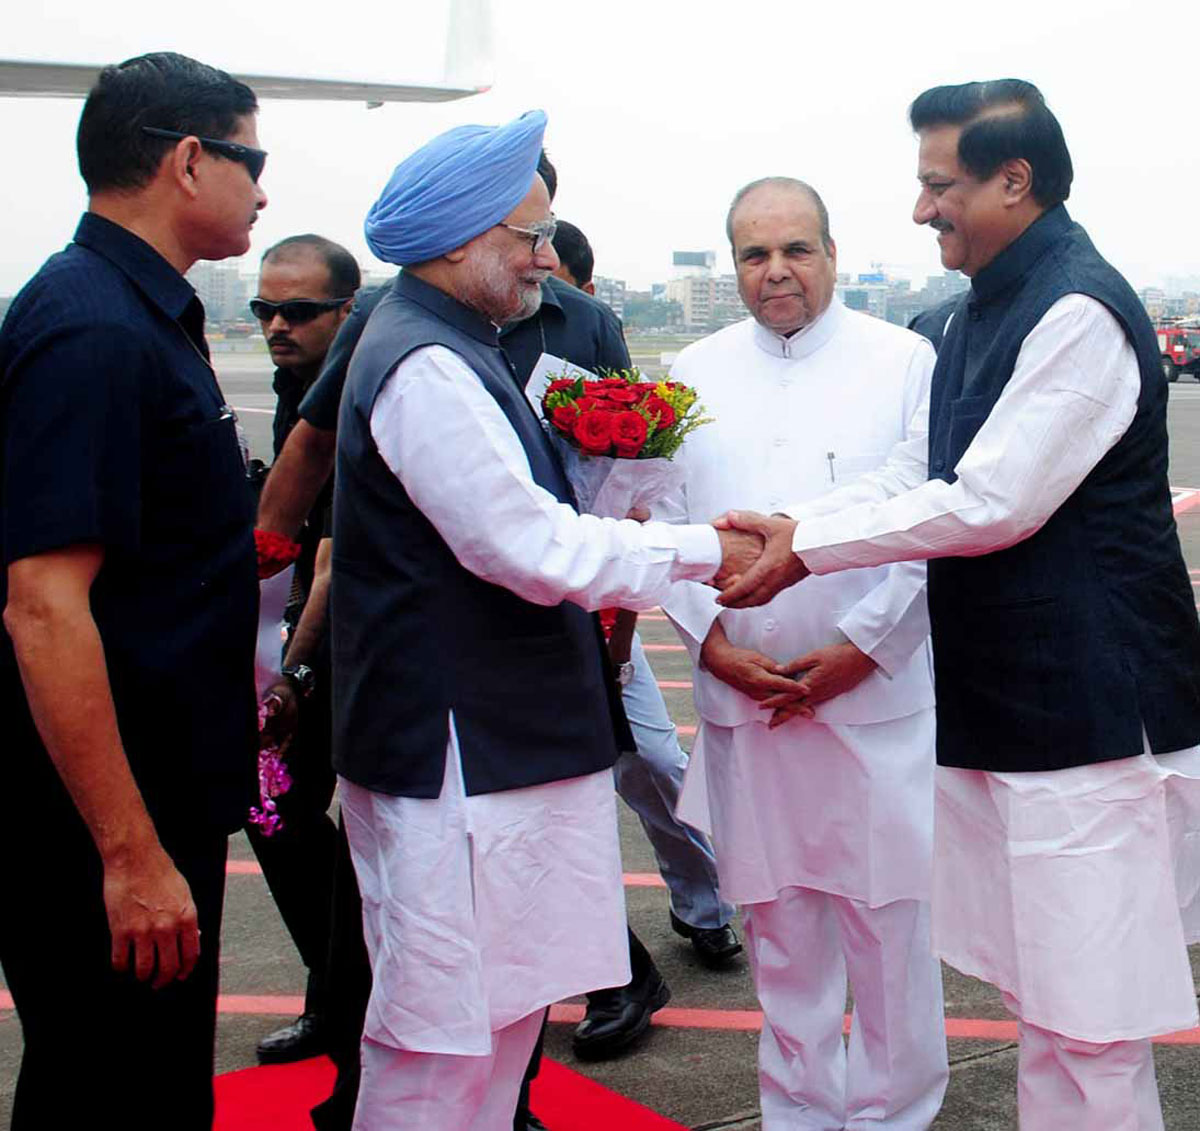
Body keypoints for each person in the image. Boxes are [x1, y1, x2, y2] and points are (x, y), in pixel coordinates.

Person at [716, 80, 1200, 1130]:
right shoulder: (975, 309)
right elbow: (918, 470)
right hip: (1009, 717)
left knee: (1094, 1021)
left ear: (1013, 182)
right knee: (1043, 1004)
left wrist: (810, 552)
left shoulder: (1077, 307)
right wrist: (786, 529)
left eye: (941, 185)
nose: (923, 208)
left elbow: (993, 502)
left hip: (1092, 724)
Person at [330, 108, 756, 1130]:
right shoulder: (427, 366)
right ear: (461, 239)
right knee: (441, 1045)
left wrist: (621, 482)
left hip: (501, 749)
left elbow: (534, 525)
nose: (545, 259)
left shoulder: (459, 343)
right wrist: (708, 547)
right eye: (528, 237)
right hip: (461, 762)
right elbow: (526, 550)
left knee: (502, 1021)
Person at [0, 52, 267, 1129]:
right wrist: (130, 851)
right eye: (253, 159)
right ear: (189, 159)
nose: (264, 188)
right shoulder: (94, 330)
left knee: (123, 1085)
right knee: (116, 1092)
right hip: (103, 820)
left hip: (149, 791)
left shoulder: (137, 310)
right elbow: (43, 604)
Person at [660, 177, 947, 1129]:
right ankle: (799, 1116)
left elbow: (931, 522)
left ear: (831, 251)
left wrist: (863, 648)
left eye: (797, 249)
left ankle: (894, 1117)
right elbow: (658, 529)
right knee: (782, 943)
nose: (775, 270)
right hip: (749, 709)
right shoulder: (687, 371)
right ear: (733, 263)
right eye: (753, 253)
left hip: (873, 707)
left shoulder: (908, 361)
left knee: (890, 944)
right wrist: (710, 645)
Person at [549, 218, 741, 1060]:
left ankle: (703, 906)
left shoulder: (592, 348)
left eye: (550, 269)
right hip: (525, 612)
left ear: (580, 289)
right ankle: (609, 973)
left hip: (603, 606)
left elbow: (640, 496)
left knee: (653, 766)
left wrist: (620, 629)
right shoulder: (467, 345)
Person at [248, 234, 359, 1065]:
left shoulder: (357, 392)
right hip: (308, 641)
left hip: (357, 647)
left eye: (298, 311)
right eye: (263, 310)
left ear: (346, 313)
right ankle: (338, 985)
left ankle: (627, 973)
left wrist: (294, 668)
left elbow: (331, 556)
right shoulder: (293, 391)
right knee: (272, 806)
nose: (276, 325)